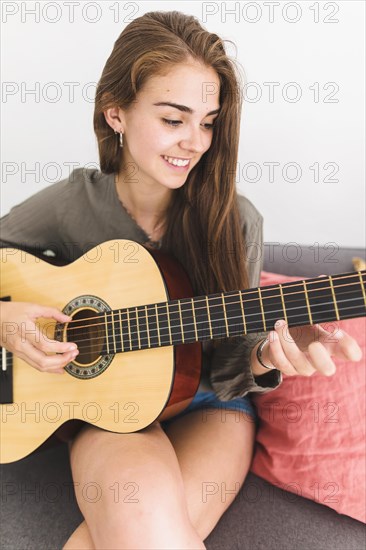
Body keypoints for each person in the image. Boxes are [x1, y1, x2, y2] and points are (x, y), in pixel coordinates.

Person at [0, 11, 362, 550]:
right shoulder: (74, 202)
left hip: (211, 404)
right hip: (113, 413)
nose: (196, 142)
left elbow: (234, 364)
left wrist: (269, 354)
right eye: (174, 119)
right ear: (116, 113)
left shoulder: (236, 220)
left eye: (209, 121)